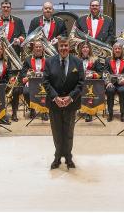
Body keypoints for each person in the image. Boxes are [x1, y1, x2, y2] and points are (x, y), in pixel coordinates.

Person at [43, 37, 84, 170]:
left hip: (71, 103)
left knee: (68, 131)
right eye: (61, 46)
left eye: (66, 45)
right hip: (54, 103)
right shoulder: (49, 62)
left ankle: (68, 156)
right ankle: (57, 156)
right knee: (56, 132)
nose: (63, 48)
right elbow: (46, 82)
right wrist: (55, 98)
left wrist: (70, 98)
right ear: (57, 47)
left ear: (69, 47)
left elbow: (81, 83)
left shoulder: (77, 62)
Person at [104, 42, 124, 122]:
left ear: (122, 50)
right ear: (113, 50)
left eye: (119, 48)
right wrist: (108, 82)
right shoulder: (108, 59)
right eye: (115, 49)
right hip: (111, 82)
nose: (117, 50)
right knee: (110, 91)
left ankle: (122, 113)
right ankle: (110, 113)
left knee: (122, 91)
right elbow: (105, 72)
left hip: (122, 83)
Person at [21, 40, 49, 121]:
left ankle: (44, 111)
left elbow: (51, 71)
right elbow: (23, 73)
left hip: (44, 82)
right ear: (33, 49)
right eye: (36, 47)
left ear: (43, 48)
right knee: (26, 92)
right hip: (31, 82)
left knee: (46, 90)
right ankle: (32, 108)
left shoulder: (48, 59)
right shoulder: (27, 59)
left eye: (40, 47)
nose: (38, 48)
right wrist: (26, 76)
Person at [77, 41, 103, 122]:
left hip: (92, 84)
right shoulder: (76, 59)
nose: (85, 49)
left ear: (90, 49)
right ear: (81, 49)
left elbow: (100, 73)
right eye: (83, 47)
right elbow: (72, 71)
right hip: (80, 83)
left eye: (87, 47)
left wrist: (93, 75)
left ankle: (89, 113)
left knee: (89, 90)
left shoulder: (95, 59)